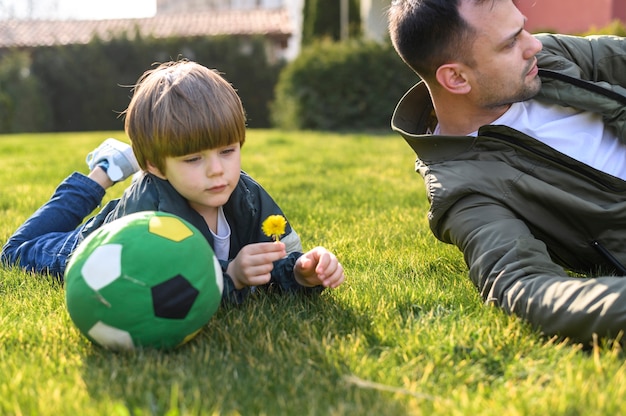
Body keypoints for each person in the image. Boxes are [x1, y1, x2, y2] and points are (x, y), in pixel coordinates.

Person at [1, 60, 345, 304]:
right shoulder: (147, 211)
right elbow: (152, 290)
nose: (217, 171)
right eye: (193, 158)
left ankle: (130, 161)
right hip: (83, 248)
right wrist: (231, 277)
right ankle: (104, 172)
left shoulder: (248, 196)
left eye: (227, 151)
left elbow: (278, 265)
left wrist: (302, 272)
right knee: (13, 252)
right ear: (157, 167)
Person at [388, 0, 626, 345]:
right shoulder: (462, 189)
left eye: (522, 29)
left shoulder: (541, 61)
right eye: (510, 42)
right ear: (455, 77)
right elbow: (524, 288)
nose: (534, 44)